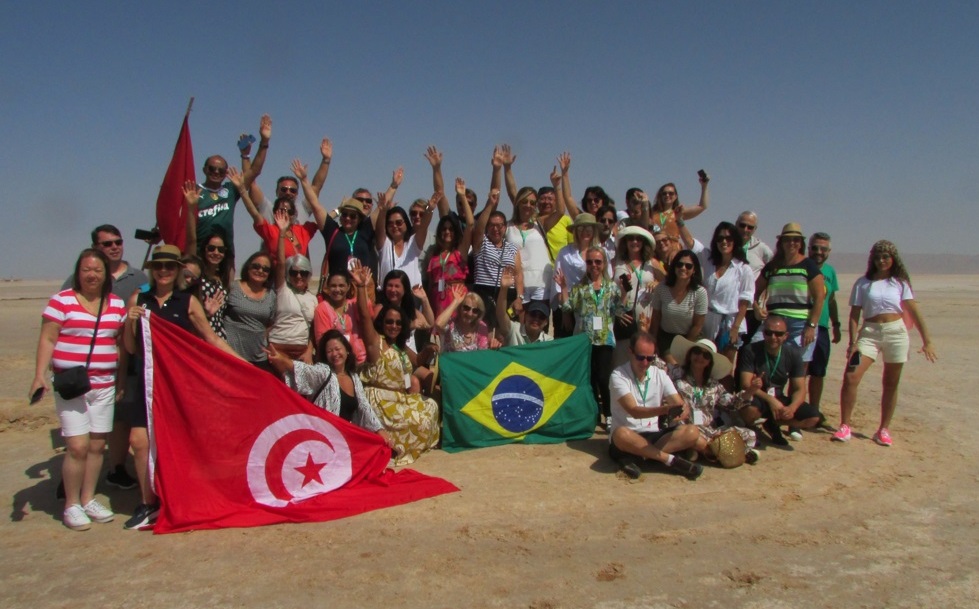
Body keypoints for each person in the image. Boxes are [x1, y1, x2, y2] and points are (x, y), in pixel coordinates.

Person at [122, 245, 243, 530]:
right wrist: (129, 323)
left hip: (179, 385)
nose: (164, 271)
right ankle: (147, 503)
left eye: (170, 266)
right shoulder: (140, 299)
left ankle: (183, 496)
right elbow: (131, 348)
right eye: (159, 266)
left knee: (179, 442)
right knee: (139, 442)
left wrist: (243, 364)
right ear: (153, 270)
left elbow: (211, 339)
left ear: (177, 270)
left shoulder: (187, 301)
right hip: (149, 382)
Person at [33, 249, 127, 530]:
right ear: (78, 272)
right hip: (72, 385)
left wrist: (120, 381)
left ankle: (88, 499)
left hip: (104, 384)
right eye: (87, 269)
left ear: (106, 274)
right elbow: (48, 339)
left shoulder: (116, 304)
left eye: (97, 270)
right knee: (77, 446)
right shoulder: (62, 302)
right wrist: (39, 375)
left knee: (98, 446)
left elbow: (120, 346)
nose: (92, 275)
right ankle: (71, 504)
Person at [59, 225, 148, 492]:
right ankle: (71, 480)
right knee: (79, 428)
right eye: (107, 244)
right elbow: (61, 315)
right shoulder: (81, 277)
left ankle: (116, 468)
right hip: (87, 366)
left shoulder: (139, 276)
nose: (114, 247)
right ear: (96, 248)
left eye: (117, 242)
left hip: (126, 362)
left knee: (119, 419)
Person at [833, 241, 937, 446]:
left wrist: (928, 341)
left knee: (890, 383)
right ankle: (844, 425)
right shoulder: (863, 283)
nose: (881, 261)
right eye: (878, 257)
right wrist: (853, 342)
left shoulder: (900, 283)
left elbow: (913, 311)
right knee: (851, 376)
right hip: (869, 333)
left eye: (886, 257)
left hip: (895, 333)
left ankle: (883, 429)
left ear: (893, 259)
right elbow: (855, 315)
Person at [352, 264, 440, 466]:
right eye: (390, 322)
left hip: (398, 397)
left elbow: (417, 362)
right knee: (420, 421)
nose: (394, 326)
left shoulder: (399, 347)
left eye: (398, 323)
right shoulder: (376, 342)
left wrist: (428, 350)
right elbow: (365, 317)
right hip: (380, 401)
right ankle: (394, 446)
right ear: (382, 323)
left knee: (431, 406)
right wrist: (361, 287)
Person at [267, 330, 394, 449]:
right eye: (329, 351)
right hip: (323, 440)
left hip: (346, 440)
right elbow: (306, 371)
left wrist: (379, 430)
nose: (334, 354)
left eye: (337, 349)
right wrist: (282, 359)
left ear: (347, 350)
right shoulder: (324, 372)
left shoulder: (354, 378)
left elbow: (364, 407)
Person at [608, 332, 705, 480]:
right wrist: (665, 410)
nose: (645, 363)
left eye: (650, 358)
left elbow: (677, 402)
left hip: (652, 434)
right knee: (621, 434)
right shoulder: (618, 375)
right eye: (640, 357)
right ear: (630, 352)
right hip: (629, 434)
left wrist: (682, 409)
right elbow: (634, 411)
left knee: (692, 432)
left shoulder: (659, 374)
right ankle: (669, 459)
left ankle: (637, 458)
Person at [557, 246, 623, 425]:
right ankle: (594, 413)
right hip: (585, 339)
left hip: (605, 338)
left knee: (603, 376)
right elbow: (568, 308)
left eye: (598, 261)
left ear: (604, 264)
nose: (594, 265)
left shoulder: (612, 287)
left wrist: (624, 293)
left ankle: (609, 414)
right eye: (590, 261)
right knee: (590, 378)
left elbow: (620, 310)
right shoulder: (580, 287)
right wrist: (563, 288)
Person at [667, 337, 759, 464]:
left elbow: (732, 404)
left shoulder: (714, 385)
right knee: (693, 436)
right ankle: (722, 452)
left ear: (709, 361)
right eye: (697, 352)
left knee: (750, 434)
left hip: (708, 430)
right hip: (683, 426)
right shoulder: (676, 373)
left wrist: (750, 390)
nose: (700, 357)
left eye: (706, 355)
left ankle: (699, 451)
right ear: (690, 354)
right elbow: (656, 364)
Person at [736, 315, 822, 447]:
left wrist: (791, 408)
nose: (773, 337)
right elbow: (745, 383)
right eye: (769, 333)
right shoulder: (751, 350)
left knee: (813, 417)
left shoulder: (793, 354)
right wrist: (771, 401)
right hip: (757, 395)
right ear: (763, 334)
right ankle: (750, 429)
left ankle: (773, 423)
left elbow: (800, 388)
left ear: (786, 335)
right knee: (750, 410)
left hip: (778, 397)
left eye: (778, 334)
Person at [753, 223, 825, 365]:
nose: (791, 243)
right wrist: (756, 307)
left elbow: (819, 297)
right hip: (773, 323)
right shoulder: (772, 267)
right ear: (781, 242)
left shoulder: (809, 266)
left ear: (801, 243)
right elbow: (753, 291)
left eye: (796, 240)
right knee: (758, 358)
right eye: (787, 239)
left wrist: (811, 326)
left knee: (797, 370)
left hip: (800, 325)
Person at [233, 159, 326, 259]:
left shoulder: (302, 212)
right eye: (284, 189)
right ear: (277, 191)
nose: (288, 192)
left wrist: (326, 160)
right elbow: (251, 183)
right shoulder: (267, 209)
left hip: (297, 272)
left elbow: (316, 187)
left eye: (292, 190)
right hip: (272, 269)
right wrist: (245, 156)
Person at [321, 169, 403, 277]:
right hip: (339, 286)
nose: (364, 203)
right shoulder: (340, 229)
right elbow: (325, 221)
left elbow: (380, 208)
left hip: (365, 284)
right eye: (360, 200)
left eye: (368, 201)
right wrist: (340, 209)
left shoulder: (367, 227)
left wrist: (393, 186)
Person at [698, 222, 754, 362]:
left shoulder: (743, 269)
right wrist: (680, 222)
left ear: (735, 241)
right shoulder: (709, 262)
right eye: (720, 238)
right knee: (706, 362)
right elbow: (690, 243)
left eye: (728, 238)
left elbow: (745, 300)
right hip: (708, 320)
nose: (724, 241)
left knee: (724, 366)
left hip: (730, 322)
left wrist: (735, 327)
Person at [267, 210, 318, 363]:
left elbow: (312, 331)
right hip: (278, 348)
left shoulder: (313, 299)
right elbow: (281, 262)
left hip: (301, 352)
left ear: (309, 275)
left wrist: (309, 351)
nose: (298, 276)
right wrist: (282, 233)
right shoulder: (283, 289)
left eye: (303, 273)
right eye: (294, 273)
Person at [471, 189, 523, 328]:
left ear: (505, 227)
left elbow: (518, 275)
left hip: (508, 294)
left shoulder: (513, 248)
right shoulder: (481, 243)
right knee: (484, 333)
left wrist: (519, 298)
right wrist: (490, 204)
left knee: (506, 332)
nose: (496, 229)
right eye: (492, 225)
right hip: (484, 292)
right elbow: (479, 228)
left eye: (499, 225)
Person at [612, 226, 660, 366]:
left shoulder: (652, 263)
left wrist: (657, 282)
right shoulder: (616, 262)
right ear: (625, 242)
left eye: (638, 239)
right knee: (620, 360)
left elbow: (668, 283)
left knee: (642, 358)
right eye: (631, 239)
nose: (634, 242)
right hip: (622, 316)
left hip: (644, 317)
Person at [648, 250, 708, 360]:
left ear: (694, 270)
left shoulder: (700, 292)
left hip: (690, 338)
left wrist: (685, 348)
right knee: (673, 365)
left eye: (688, 266)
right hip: (667, 338)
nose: (683, 268)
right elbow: (656, 318)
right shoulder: (662, 288)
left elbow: (698, 325)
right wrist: (653, 341)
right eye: (679, 264)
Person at [806, 232, 841, 414]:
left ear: (829, 251)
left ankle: (814, 410)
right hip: (803, 325)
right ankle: (798, 409)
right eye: (815, 248)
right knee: (800, 371)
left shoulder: (830, 272)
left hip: (822, 327)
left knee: (818, 372)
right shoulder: (801, 267)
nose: (819, 252)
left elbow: (832, 299)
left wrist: (836, 324)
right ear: (808, 248)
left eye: (823, 249)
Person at [223, 251, 277, 370]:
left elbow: (270, 323)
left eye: (265, 269)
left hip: (259, 357)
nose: (260, 271)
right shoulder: (233, 288)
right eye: (256, 266)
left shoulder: (271, 295)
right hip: (232, 354)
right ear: (248, 267)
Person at [427, 181, 474, 316]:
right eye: (444, 229)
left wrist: (462, 196)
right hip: (437, 299)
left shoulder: (460, 252)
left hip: (457, 298)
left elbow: (470, 224)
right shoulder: (434, 255)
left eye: (451, 229)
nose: (447, 232)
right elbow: (430, 285)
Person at [553, 213, 601, 338]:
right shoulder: (565, 253)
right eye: (580, 228)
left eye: (588, 228)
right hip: (568, 304)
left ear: (594, 230)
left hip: (594, 308)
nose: (585, 232)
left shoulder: (601, 252)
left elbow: (606, 280)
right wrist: (565, 311)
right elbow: (558, 284)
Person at [375, 191, 436, 289]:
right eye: (390, 223)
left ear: (406, 224)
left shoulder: (413, 242)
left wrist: (429, 209)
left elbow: (424, 226)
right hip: (388, 295)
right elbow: (379, 229)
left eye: (399, 222)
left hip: (412, 296)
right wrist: (382, 211)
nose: (394, 226)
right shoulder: (384, 244)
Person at [313, 270, 367, 366]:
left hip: (361, 361)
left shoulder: (354, 304)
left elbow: (366, 317)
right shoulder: (321, 309)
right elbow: (322, 341)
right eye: (333, 286)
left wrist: (361, 287)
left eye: (341, 285)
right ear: (328, 288)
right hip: (335, 362)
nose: (337, 289)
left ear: (348, 286)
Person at [735, 211, 774, 339]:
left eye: (750, 227)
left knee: (747, 350)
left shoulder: (761, 249)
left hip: (752, 309)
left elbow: (774, 269)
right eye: (742, 225)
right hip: (731, 307)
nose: (745, 230)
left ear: (755, 229)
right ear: (736, 224)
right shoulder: (727, 245)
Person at [375, 270, 434, 353]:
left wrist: (424, 299)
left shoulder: (410, 309)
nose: (392, 290)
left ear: (405, 289)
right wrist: (409, 326)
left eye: (397, 286)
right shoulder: (379, 308)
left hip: (410, 358)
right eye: (390, 285)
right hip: (390, 357)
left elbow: (429, 323)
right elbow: (376, 333)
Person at [496, 267, 551, 346]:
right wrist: (504, 289)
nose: (536, 319)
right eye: (533, 314)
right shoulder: (514, 330)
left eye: (541, 316)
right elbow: (501, 315)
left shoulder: (549, 342)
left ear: (546, 322)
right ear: (526, 315)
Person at [194, 230, 232, 339]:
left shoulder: (223, 279)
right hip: (200, 333)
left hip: (219, 335)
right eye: (211, 248)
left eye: (221, 250)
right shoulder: (197, 277)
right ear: (204, 250)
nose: (216, 252)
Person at [435, 284, 491, 353]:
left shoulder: (481, 326)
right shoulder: (451, 325)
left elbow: (483, 354)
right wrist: (455, 302)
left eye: (475, 311)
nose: (470, 313)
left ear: (479, 313)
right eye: (466, 308)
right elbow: (438, 324)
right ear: (460, 308)